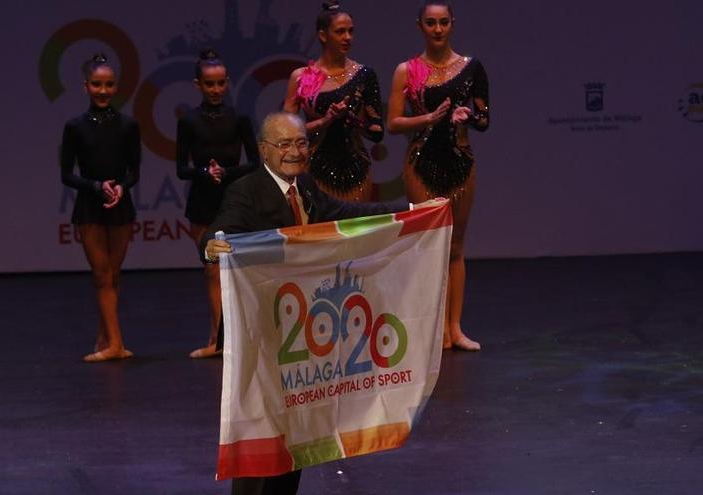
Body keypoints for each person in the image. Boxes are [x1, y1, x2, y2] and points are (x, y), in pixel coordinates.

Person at [202, 112, 407, 495]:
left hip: (299, 335)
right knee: (259, 435)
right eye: (284, 144)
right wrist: (212, 249)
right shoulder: (246, 190)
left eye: (300, 143)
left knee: (293, 435)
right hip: (258, 334)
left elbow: (347, 215)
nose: (295, 152)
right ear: (264, 149)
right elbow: (221, 230)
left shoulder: (307, 187)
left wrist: (410, 212)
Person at [386, 0, 489, 351]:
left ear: (453, 24)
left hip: (460, 162)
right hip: (421, 164)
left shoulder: (471, 68)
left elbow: (485, 118)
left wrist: (468, 118)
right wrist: (428, 119)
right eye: (431, 23)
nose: (438, 29)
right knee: (428, 247)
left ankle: (455, 328)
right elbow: (393, 122)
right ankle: (432, 329)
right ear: (420, 27)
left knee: (456, 246)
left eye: (444, 22)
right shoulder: (407, 70)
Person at [176, 49, 260, 359]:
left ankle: (238, 336)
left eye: (220, 83)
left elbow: (254, 162)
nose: (215, 90)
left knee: (235, 270)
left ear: (227, 83)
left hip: (234, 199)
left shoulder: (239, 118)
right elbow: (180, 168)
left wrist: (226, 172)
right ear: (197, 84)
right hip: (202, 200)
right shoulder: (188, 120)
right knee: (211, 270)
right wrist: (203, 172)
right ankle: (217, 337)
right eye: (209, 84)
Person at [60, 54, 140, 362]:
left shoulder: (128, 125)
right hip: (90, 206)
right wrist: (96, 186)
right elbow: (67, 174)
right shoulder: (75, 127)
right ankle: (116, 345)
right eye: (96, 85)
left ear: (116, 87)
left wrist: (121, 186)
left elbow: (135, 171)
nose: (103, 91)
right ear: (86, 87)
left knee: (113, 275)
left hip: (120, 204)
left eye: (108, 85)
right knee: (101, 275)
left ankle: (105, 338)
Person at [283, 0, 383, 202]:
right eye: (340, 32)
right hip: (314, 169)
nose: (347, 37)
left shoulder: (364, 75)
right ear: (322, 35)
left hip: (356, 169)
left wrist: (353, 120)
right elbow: (286, 132)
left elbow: (377, 132)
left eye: (351, 31)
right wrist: (324, 121)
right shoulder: (302, 77)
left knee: (357, 232)